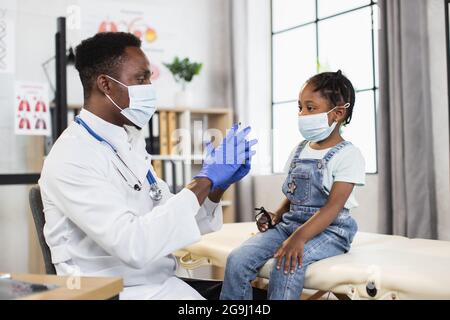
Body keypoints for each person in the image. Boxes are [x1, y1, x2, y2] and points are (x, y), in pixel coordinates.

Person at [39, 32, 257, 300]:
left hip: (159, 282)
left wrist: (216, 189)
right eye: (140, 79)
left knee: (256, 295)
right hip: (115, 293)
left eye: (149, 78)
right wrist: (204, 180)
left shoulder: (129, 141)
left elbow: (168, 220)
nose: (149, 88)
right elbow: (134, 245)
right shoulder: (72, 156)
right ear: (105, 85)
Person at [220, 71, 365, 300]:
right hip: (291, 225)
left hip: (331, 232)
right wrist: (277, 215)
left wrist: (299, 238)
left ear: (337, 113)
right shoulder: (300, 149)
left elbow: (332, 208)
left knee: (285, 265)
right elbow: (295, 195)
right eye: (300, 107)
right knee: (238, 259)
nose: (302, 114)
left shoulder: (349, 155)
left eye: (310, 108)